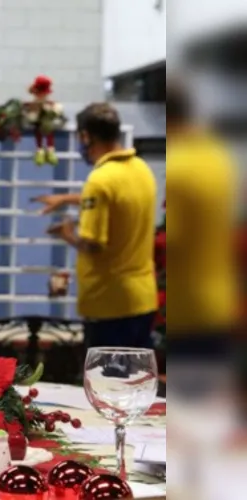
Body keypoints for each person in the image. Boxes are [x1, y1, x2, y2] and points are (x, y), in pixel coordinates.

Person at [44, 103, 157, 348]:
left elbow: (94, 244)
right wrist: (67, 199)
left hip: (109, 303)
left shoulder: (100, 180)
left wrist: (67, 234)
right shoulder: (141, 169)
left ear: (86, 136)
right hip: (143, 298)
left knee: (108, 382)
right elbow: (119, 201)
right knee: (138, 381)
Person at [162, 80, 237, 355]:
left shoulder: (179, 165)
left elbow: (175, 240)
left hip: (188, 307)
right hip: (220, 299)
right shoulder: (217, 156)